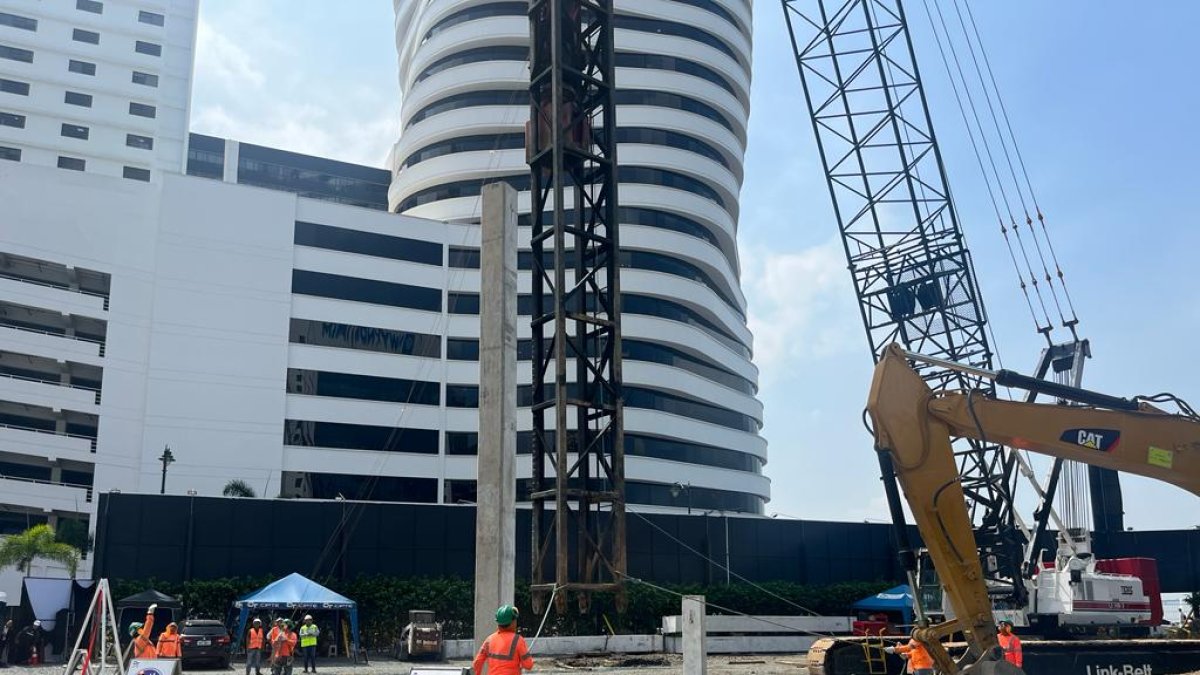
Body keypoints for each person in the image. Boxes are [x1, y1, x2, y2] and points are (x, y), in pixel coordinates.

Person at [473, 605, 534, 675]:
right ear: (513, 622)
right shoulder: (518, 640)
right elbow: (528, 665)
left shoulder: (489, 640)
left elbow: (477, 662)